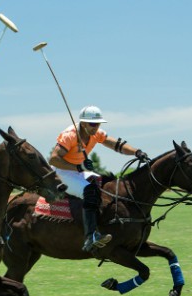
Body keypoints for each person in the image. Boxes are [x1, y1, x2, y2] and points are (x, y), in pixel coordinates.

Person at [49, 105, 149, 252]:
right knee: (89, 190)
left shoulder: (96, 134)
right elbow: (54, 159)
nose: (96, 127)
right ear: (83, 123)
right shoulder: (69, 135)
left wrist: (137, 152)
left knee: (106, 183)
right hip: (61, 173)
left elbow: (117, 145)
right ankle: (90, 237)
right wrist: (78, 167)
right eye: (92, 124)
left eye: (98, 123)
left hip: (77, 171)